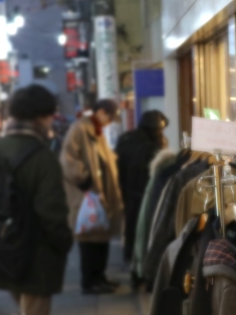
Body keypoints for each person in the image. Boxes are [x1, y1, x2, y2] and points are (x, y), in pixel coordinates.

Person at [0, 85, 73, 315]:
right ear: (42, 117)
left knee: (23, 310)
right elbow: (52, 213)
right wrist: (63, 243)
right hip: (34, 254)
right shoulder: (41, 157)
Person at [60, 100, 123, 295]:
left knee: (100, 237)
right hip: (87, 195)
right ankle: (90, 281)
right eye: (110, 116)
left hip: (99, 194)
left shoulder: (95, 130)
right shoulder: (81, 128)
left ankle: (99, 277)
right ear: (101, 112)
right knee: (89, 239)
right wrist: (85, 181)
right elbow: (68, 159)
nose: (110, 121)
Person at [115, 110, 169, 264]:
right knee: (142, 229)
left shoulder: (126, 139)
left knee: (131, 227)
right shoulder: (150, 146)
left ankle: (130, 257)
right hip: (143, 193)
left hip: (127, 191)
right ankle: (139, 264)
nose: (161, 133)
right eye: (160, 129)